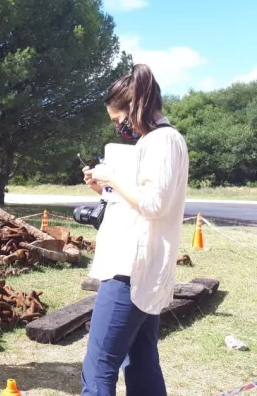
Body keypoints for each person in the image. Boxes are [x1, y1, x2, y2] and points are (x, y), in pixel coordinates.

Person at [80, 64, 189, 396]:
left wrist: (112, 176)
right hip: (139, 269)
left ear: (135, 107)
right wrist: (105, 190)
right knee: (141, 363)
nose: (118, 128)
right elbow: (141, 202)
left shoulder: (162, 141)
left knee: (98, 366)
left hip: (131, 272)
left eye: (117, 120)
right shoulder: (157, 141)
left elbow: (155, 205)